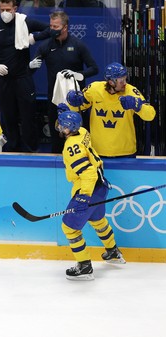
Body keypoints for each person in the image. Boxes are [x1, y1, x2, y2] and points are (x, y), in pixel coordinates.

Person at [56, 110, 126, 281]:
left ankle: (84, 266)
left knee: (70, 228)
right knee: (98, 221)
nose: (59, 127)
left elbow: (87, 173)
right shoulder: (83, 132)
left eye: (62, 125)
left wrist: (84, 197)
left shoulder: (71, 147)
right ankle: (113, 251)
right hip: (101, 187)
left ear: (68, 128)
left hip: (89, 189)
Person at [0, 0, 50, 152]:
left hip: (23, 77)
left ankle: (30, 148)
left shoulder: (24, 22)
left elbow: (50, 29)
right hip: (3, 79)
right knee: (7, 117)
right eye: (2, 10)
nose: (5, 12)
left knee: (28, 115)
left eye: (8, 9)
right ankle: (10, 149)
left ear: (15, 9)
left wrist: (35, 37)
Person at [30, 10, 98, 153]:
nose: (52, 30)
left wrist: (79, 75)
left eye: (55, 27)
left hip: (76, 98)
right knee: (57, 133)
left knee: (78, 132)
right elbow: (31, 70)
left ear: (65, 27)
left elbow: (94, 69)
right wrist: (30, 66)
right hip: (55, 98)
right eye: (51, 26)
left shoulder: (78, 45)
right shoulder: (45, 46)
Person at [66, 62, 156, 157]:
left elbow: (150, 115)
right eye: (121, 81)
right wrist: (73, 101)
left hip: (126, 152)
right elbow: (75, 107)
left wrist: (137, 105)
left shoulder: (131, 91)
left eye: (125, 79)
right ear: (111, 82)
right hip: (98, 152)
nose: (125, 83)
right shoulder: (94, 89)